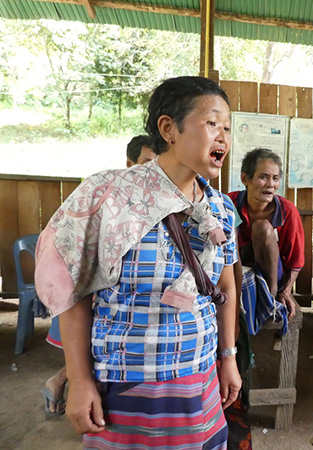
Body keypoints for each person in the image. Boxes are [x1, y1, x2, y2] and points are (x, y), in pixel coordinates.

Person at [35, 76, 241, 449]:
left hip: (199, 384)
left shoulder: (221, 208)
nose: (223, 136)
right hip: (124, 387)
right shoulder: (108, 194)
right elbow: (72, 291)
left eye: (228, 127)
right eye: (212, 123)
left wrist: (228, 358)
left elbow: (225, 288)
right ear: (169, 128)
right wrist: (80, 381)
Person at [41, 135, 159, 416]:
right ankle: (65, 382)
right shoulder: (106, 197)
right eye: (145, 164)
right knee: (89, 345)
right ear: (129, 164)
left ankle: (63, 382)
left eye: (158, 165)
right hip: (95, 294)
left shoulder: (158, 203)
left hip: (120, 298)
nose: (152, 173)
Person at [228, 148, 304, 320]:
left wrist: (285, 291)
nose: (271, 184)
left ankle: (270, 300)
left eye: (275, 178)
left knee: (262, 227)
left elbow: (295, 261)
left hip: (272, 275)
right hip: (238, 271)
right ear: (245, 179)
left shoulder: (287, 211)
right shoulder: (229, 203)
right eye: (263, 177)